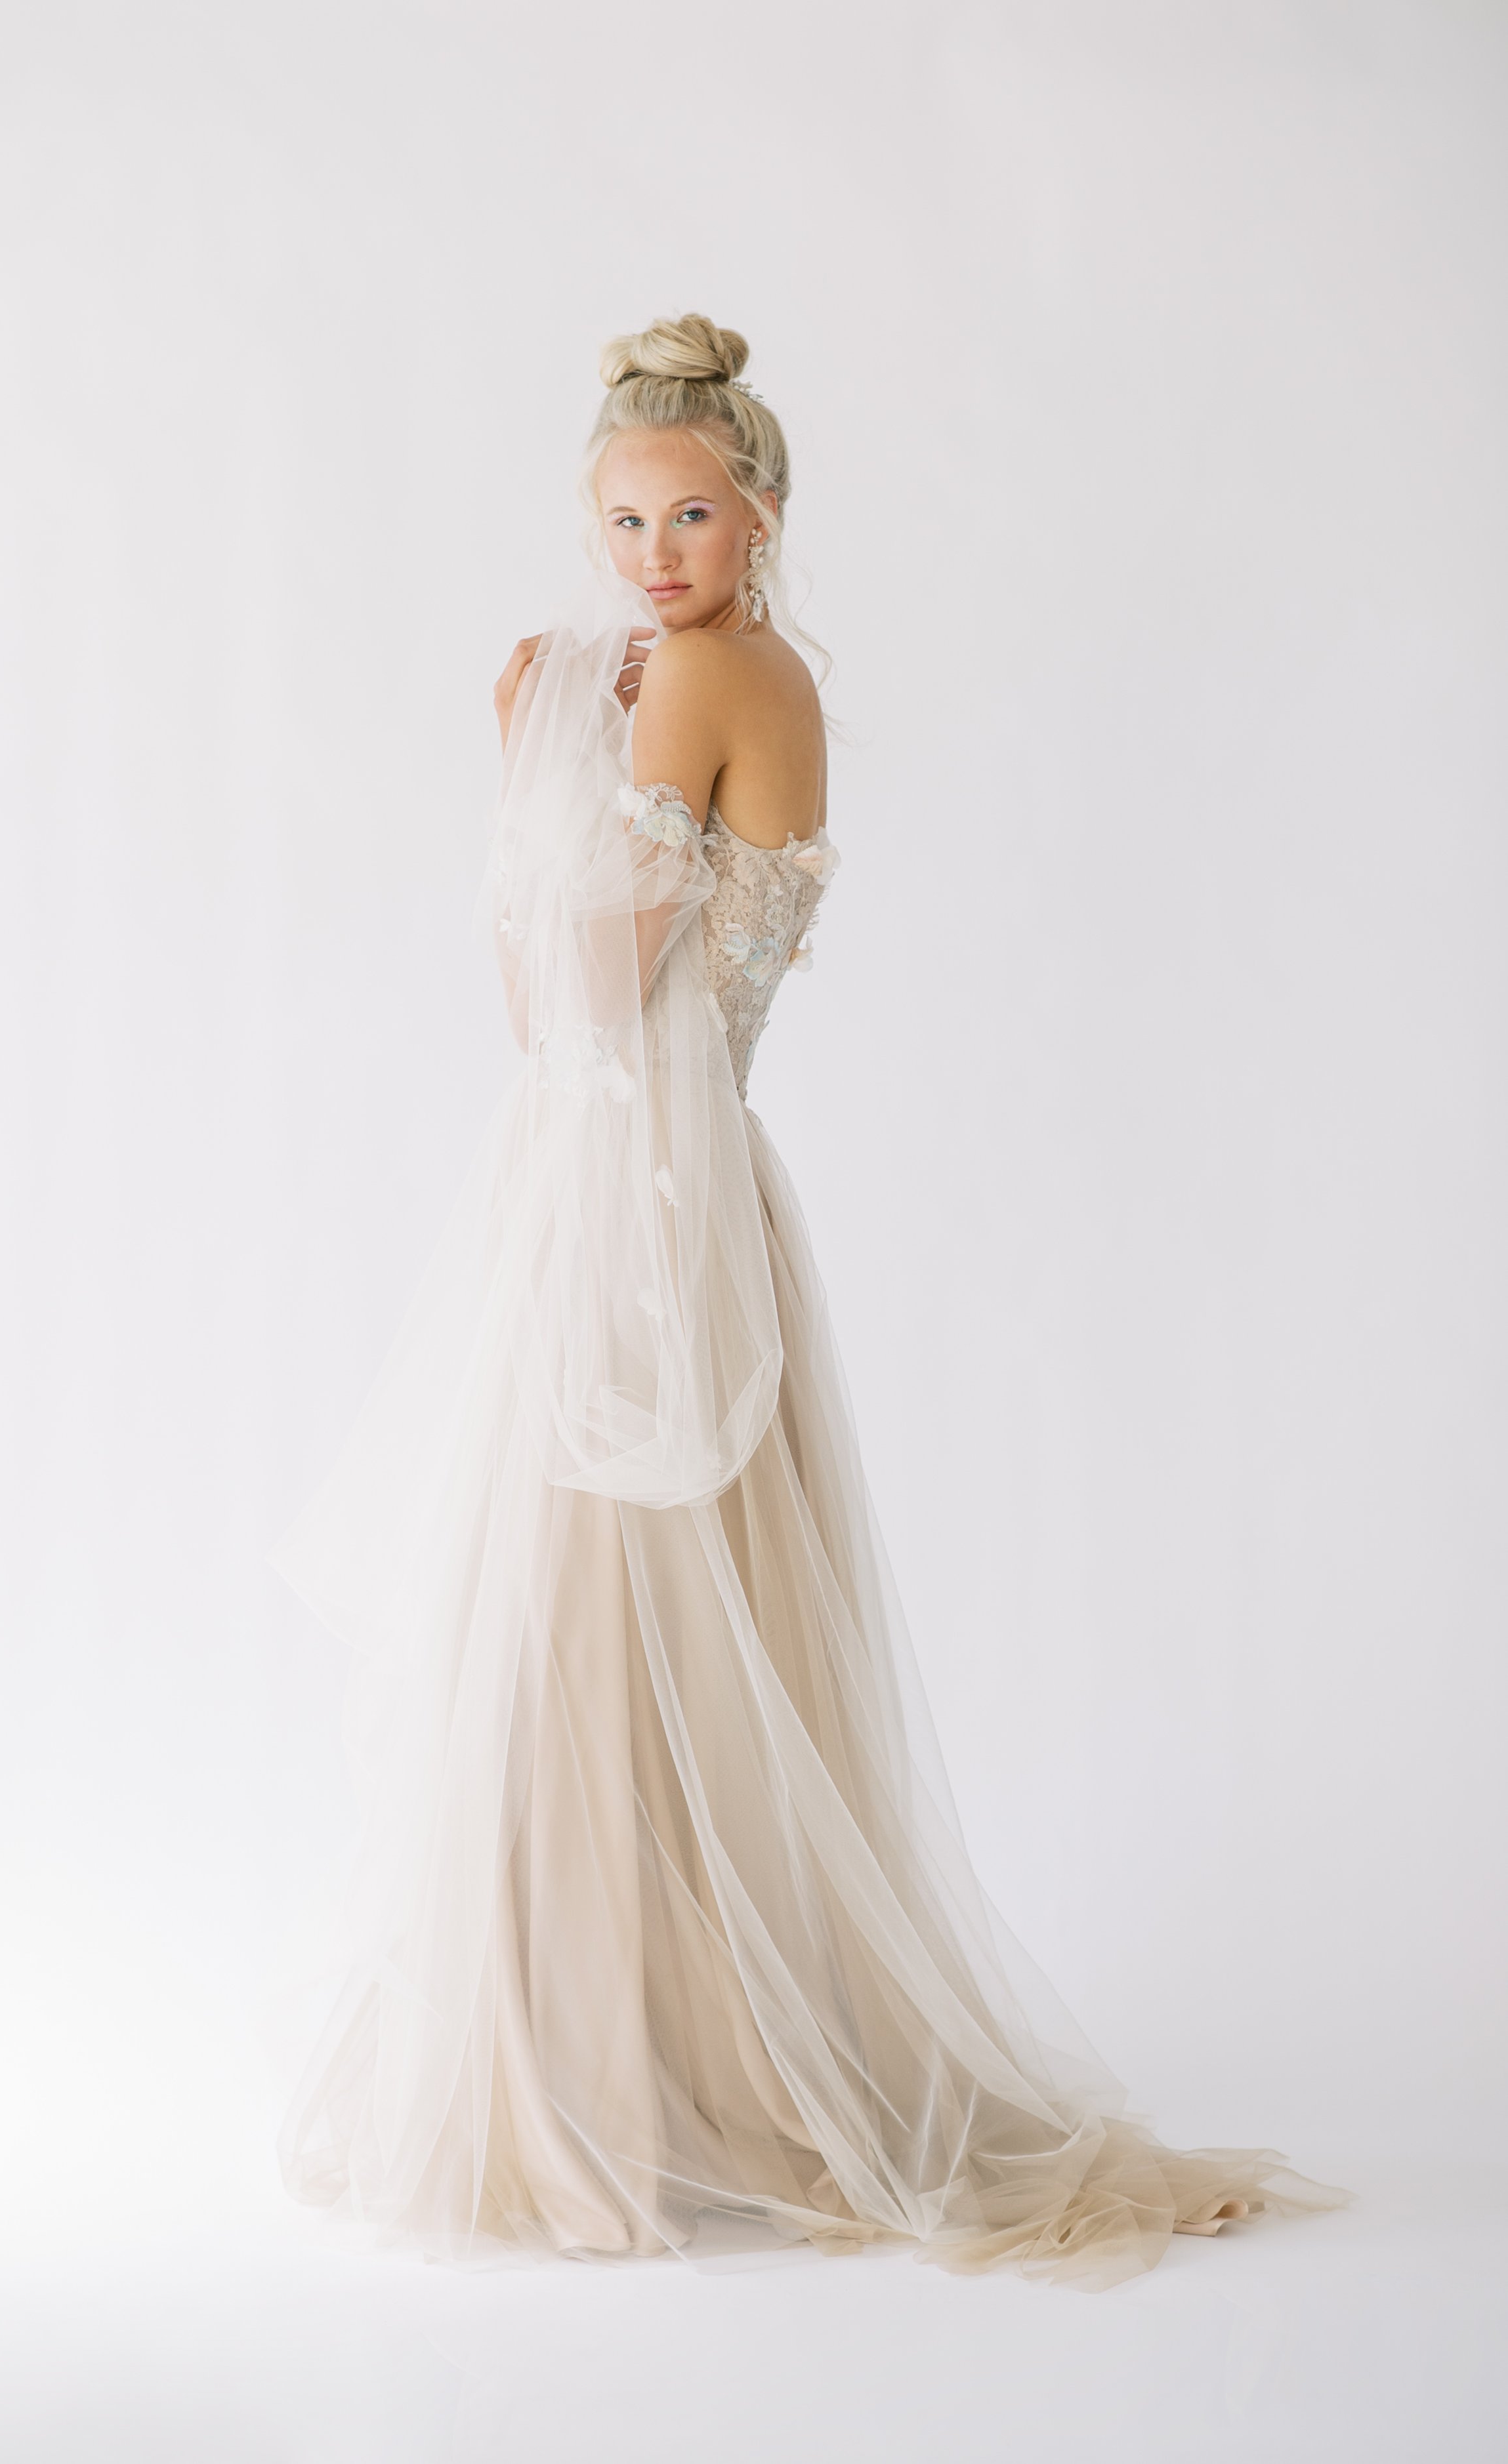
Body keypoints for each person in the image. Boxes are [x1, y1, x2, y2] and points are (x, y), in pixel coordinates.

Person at [274, 313, 1343, 2287]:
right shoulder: (712, 672)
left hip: (638, 1195)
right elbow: (566, 1011)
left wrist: (527, 747)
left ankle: (612, 2085)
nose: (652, 552)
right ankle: (661, 2066)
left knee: (596, 1632)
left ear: (760, 513)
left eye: (689, 512)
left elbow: (573, 995)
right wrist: (557, 746)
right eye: (622, 518)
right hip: (661, 1178)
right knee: (633, 1631)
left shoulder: (691, 682)